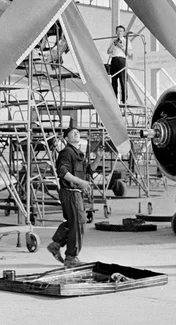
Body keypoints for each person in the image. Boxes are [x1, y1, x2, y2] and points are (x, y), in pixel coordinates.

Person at [47, 127, 104, 267]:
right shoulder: (66, 152)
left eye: (78, 132)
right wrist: (81, 182)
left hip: (75, 192)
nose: (77, 133)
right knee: (79, 221)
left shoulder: (78, 153)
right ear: (66, 138)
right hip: (70, 192)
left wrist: (98, 157)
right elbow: (62, 172)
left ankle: (56, 244)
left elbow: (89, 170)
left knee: (74, 221)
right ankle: (71, 257)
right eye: (73, 132)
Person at [106, 25, 132, 104]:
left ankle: (124, 100)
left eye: (121, 31)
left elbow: (129, 54)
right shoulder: (113, 40)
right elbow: (108, 51)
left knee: (123, 80)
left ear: (123, 32)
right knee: (114, 80)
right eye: (118, 31)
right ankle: (114, 98)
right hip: (114, 60)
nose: (119, 32)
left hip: (122, 60)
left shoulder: (126, 41)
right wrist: (114, 44)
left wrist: (121, 46)